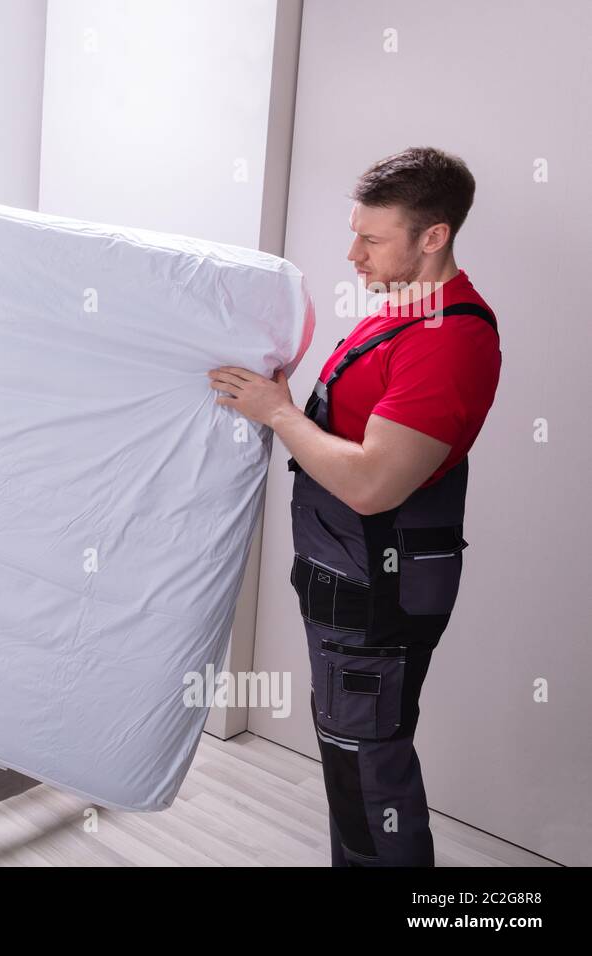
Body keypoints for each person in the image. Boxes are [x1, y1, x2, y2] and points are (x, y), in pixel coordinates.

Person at [207, 147, 501, 865]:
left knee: (370, 776)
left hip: (379, 589)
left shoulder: (447, 340)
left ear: (433, 236)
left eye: (371, 239)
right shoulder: (399, 312)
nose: (352, 255)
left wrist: (279, 414)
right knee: (352, 760)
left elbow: (373, 483)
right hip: (347, 584)